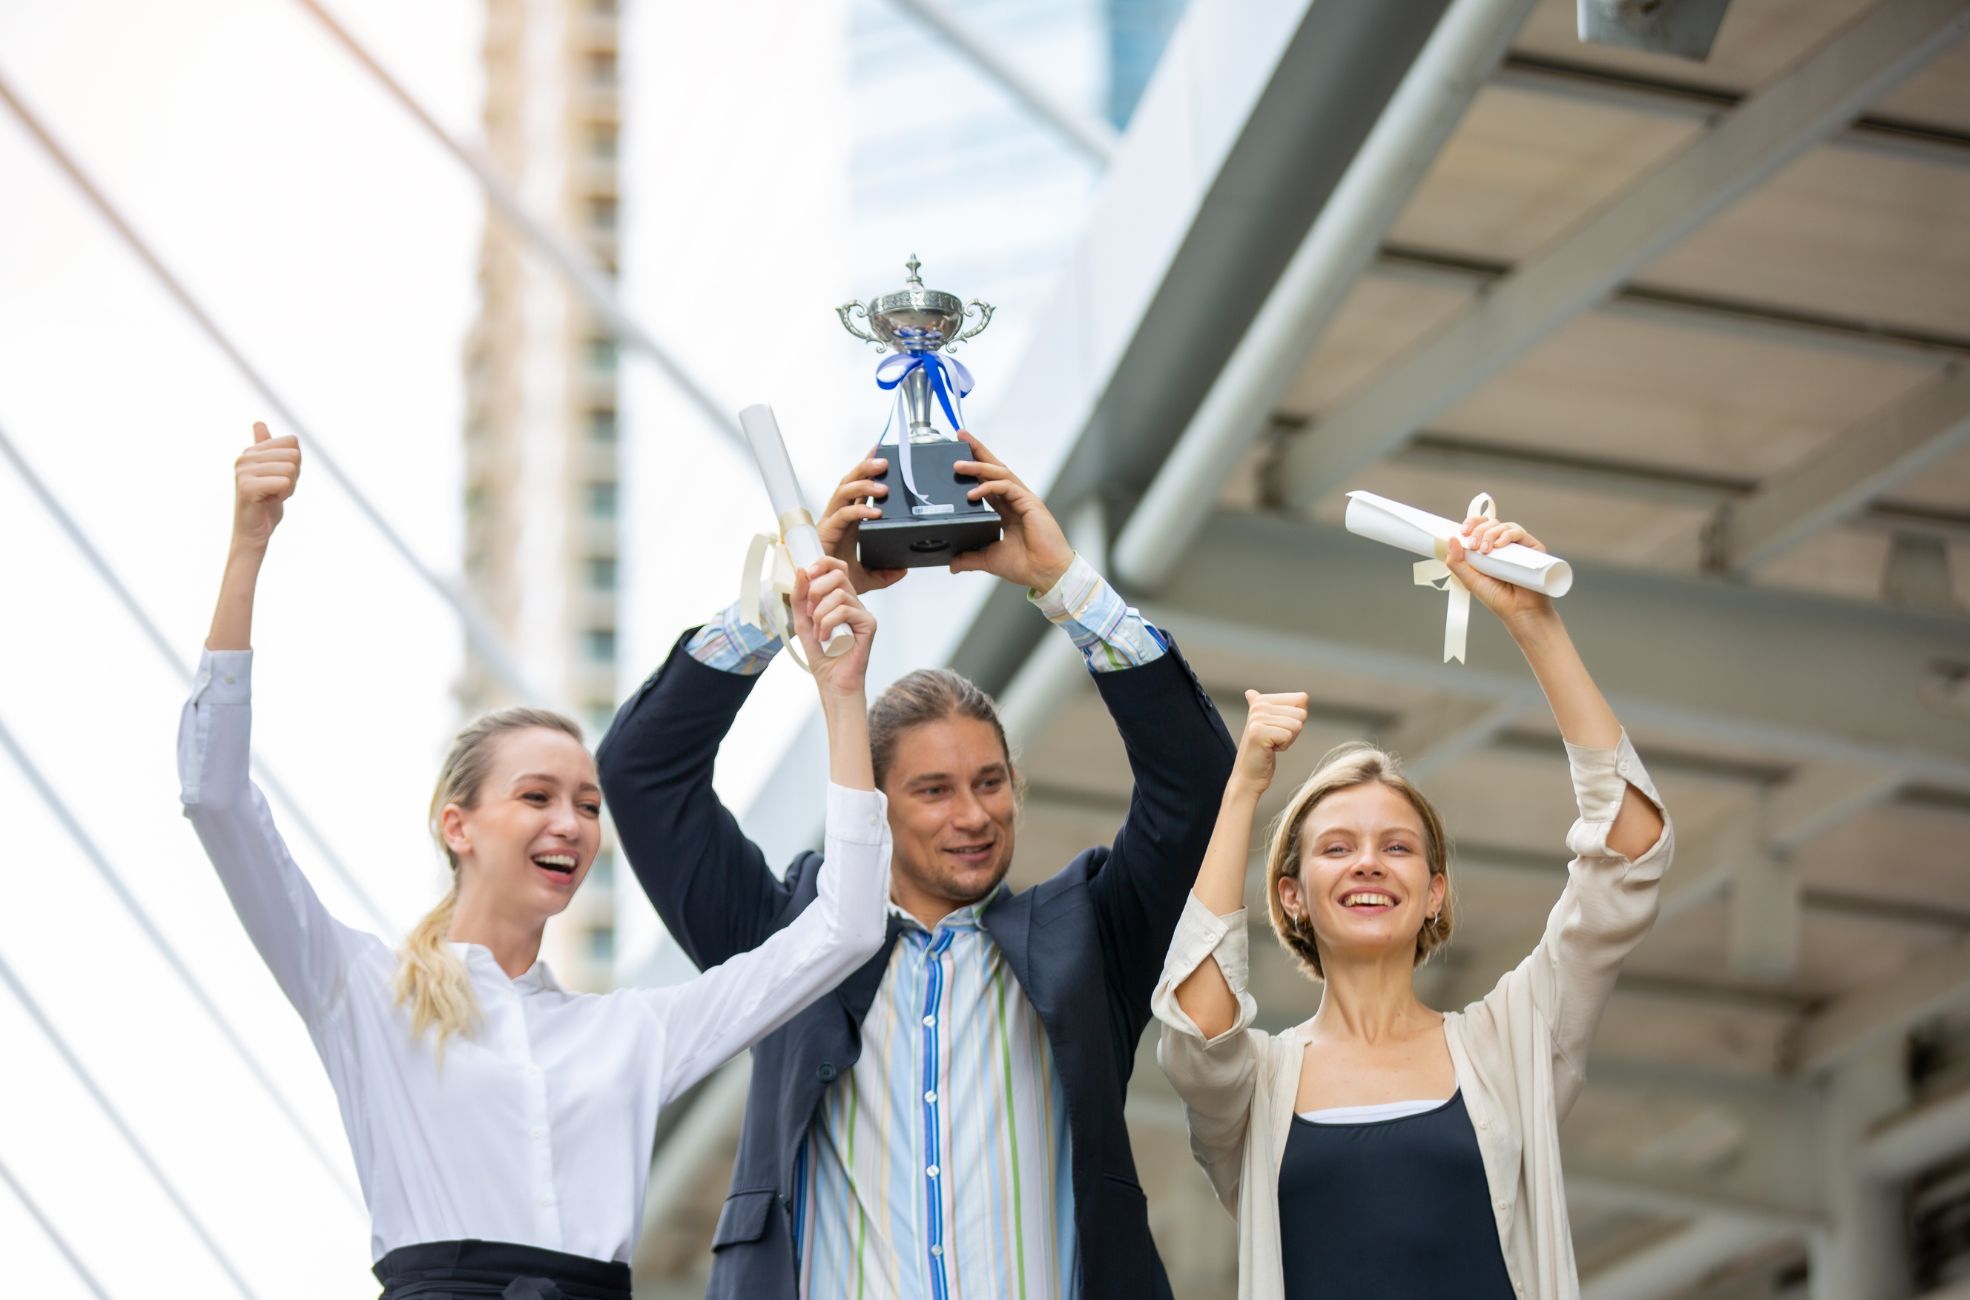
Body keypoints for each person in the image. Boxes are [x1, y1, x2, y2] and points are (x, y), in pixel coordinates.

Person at [179, 422, 891, 1299]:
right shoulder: (357, 988)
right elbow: (215, 796)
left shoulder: (630, 1036)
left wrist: (844, 695)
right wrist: (248, 545)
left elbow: (848, 927)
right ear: (458, 826)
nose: (572, 824)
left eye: (589, 806)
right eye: (537, 797)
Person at [596, 431, 1236, 1299]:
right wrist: (783, 605)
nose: (973, 815)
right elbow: (643, 772)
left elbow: (1194, 780)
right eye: (934, 791)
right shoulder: (783, 943)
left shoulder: (1090, 935)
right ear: (876, 806)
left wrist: (1064, 584)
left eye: (989, 782)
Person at [1152, 515, 1674, 1300]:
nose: (1368, 860)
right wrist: (1244, 788)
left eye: (1397, 847)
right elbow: (1197, 1027)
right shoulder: (1259, 1082)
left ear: (1434, 893)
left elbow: (1629, 855)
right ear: (1290, 896)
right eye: (1336, 847)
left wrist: (1535, 623)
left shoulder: (1511, 1041)